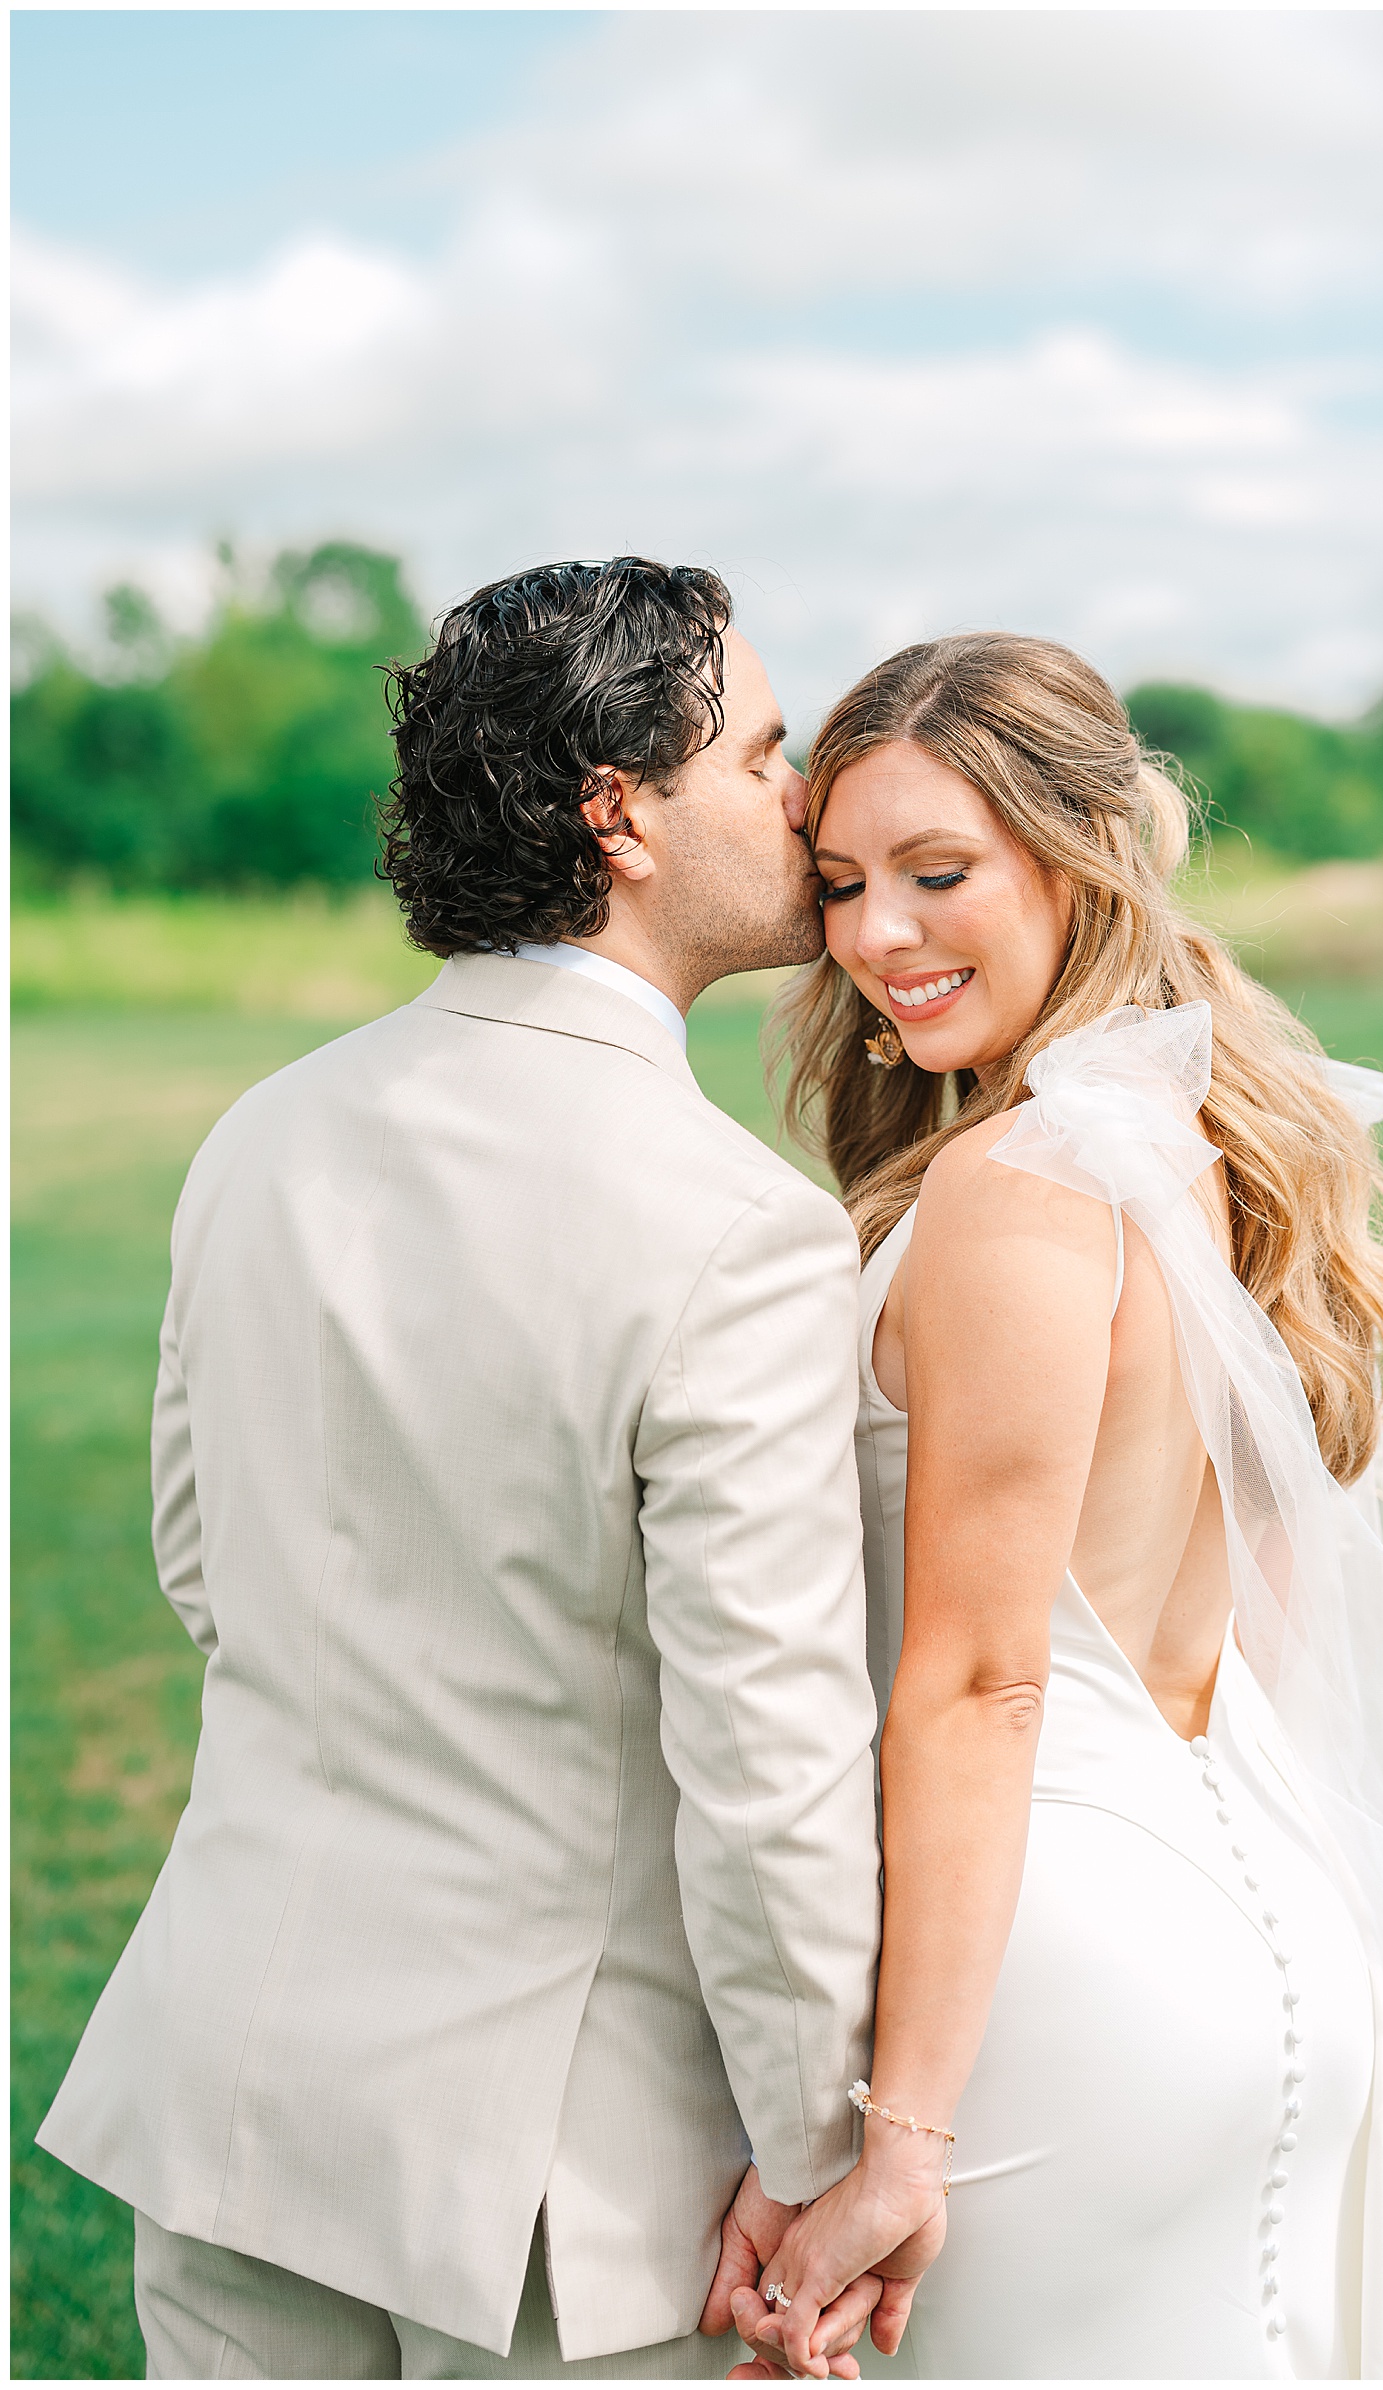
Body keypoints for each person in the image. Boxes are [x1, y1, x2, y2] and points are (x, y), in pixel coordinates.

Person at [37, 558, 887, 2381]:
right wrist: (820, 2153)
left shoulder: (263, 1134)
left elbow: (207, 1564)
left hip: (236, 2085)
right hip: (549, 2176)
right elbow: (768, 1766)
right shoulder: (738, 1230)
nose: (803, 797)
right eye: (759, 753)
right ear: (621, 812)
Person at [733, 634, 1383, 2381]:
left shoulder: (1014, 1192)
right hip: (1251, 1898)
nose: (879, 934)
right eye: (840, 884)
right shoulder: (1185, 1146)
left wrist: (900, 2132)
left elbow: (983, 1680)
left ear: (1080, 854)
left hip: (1058, 1975)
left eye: (938, 872)